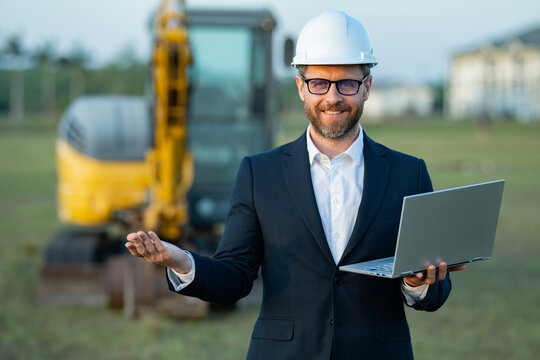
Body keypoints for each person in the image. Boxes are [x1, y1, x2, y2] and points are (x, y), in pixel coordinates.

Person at [125, 10, 466, 359]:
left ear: (367, 87)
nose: (333, 97)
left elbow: (436, 292)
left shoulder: (409, 174)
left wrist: (416, 284)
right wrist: (182, 261)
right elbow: (235, 277)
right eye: (320, 83)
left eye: (347, 83)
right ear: (301, 86)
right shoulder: (260, 174)